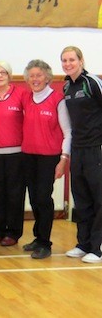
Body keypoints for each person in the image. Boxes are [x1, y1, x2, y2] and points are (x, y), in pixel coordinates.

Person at [22, 60, 71, 259]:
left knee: (43, 198)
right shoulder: (26, 98)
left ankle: (45, 243)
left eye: (39, 75)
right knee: (34, 198)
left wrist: (63, 159)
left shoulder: (58, 100)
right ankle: (38, 237)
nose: (35, 79)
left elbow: (68, 132)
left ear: (47, 77)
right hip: (28, 155)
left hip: (49, 158)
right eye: (31, 76)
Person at [61, 46, 102, 263]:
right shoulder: (66, 87)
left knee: (99, 198)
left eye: (72, 60)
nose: (68, 64)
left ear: (81, 60)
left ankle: (98, 247)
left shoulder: (92, 82)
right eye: (64, 61)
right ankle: (83, 243)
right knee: (81, 197)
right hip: (78, 149)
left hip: (97, 148)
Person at [0, 61, 27, 247]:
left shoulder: (22, 94)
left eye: (3, 72)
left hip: (16, 153)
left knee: (15, 194)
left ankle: (13, 232)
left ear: (9, 75)